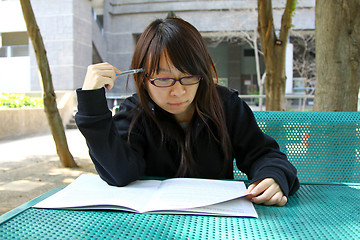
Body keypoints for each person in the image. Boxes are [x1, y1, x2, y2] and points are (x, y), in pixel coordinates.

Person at [75, 17, 299, 207]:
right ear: (143, 79)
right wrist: (92, 107)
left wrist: (274, 176)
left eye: (189, 76)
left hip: (217, 220)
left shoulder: (225, 105)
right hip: (151, 226)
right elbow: (119, 173)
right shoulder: (135, 112)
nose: (178, 91)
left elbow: (263, 154)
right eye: (163, 79)